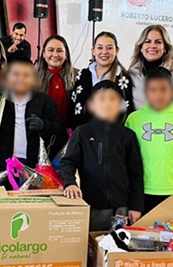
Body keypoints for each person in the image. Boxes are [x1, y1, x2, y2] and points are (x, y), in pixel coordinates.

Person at [61, 81, 144, 231]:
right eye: (101, 98)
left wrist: (136, 206)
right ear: (92, 105)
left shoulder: (128, 136)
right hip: (92, 205)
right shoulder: (82, 132)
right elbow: (68, 162)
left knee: (119, 243)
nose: (107, 103)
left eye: (113, 99)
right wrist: (70, 183)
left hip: (122, 208)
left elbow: (136, 174)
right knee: (93, 242)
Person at [0, 59, 67, 174]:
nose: (20, 79)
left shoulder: (44, 101)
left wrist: (44, 126)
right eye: (16, 74)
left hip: (35, 166)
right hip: (2, 165)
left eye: (26, 75)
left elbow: (60, 131)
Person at [125, 68, 173, 213]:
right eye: (153, 89)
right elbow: (126, 157)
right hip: (142, 189)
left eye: (164, 89)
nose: (158, 94)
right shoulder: (134, 119)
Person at [68, 31, 134, 129]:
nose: (104, 52)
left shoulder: (124, 78)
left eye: (109, 48)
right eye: (100, 47)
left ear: (117, 50)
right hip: (83, 134)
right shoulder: (82, 75)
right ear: (93, 50)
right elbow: (73, 106)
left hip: (113, 134)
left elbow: (127, 111)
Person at [129, 24, 173, 110]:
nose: (152, 46)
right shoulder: (132, 74)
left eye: (158, 42)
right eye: (147, 41)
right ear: (141, 47)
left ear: (165, 48)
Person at [37, 35, 76, 125]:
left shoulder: (78, 75)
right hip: (44, 129)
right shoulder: (33, 78)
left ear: (66, 54)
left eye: (59, 50)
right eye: (50, 50)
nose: (55, 55)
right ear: (44, 53)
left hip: (71, 130)